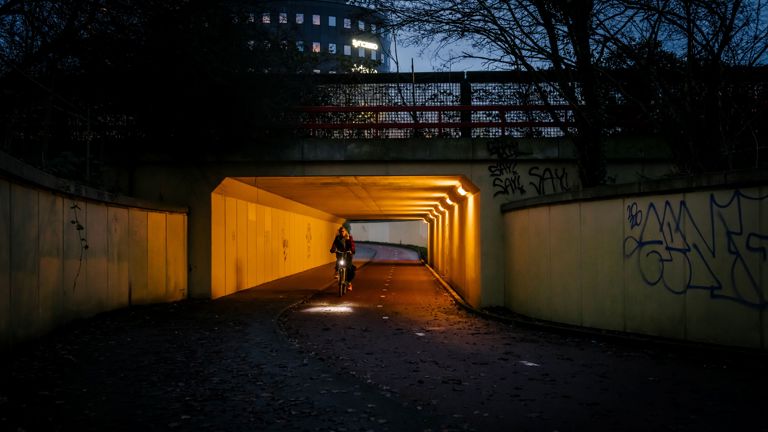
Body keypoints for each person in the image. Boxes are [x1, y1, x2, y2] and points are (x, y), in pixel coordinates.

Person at [330, 225, 356, 290]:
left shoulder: (349, 238)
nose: (342, 233)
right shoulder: (337, 238)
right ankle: (337, 272)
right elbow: (334, 245)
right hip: (340, 254)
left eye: (343, 231)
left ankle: (349, 283)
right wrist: (333, 249)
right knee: (338, 261)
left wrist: (351, 250)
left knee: (349, 268)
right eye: (341, 231)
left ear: (345, 232)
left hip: (348, 255)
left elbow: (352, 245)